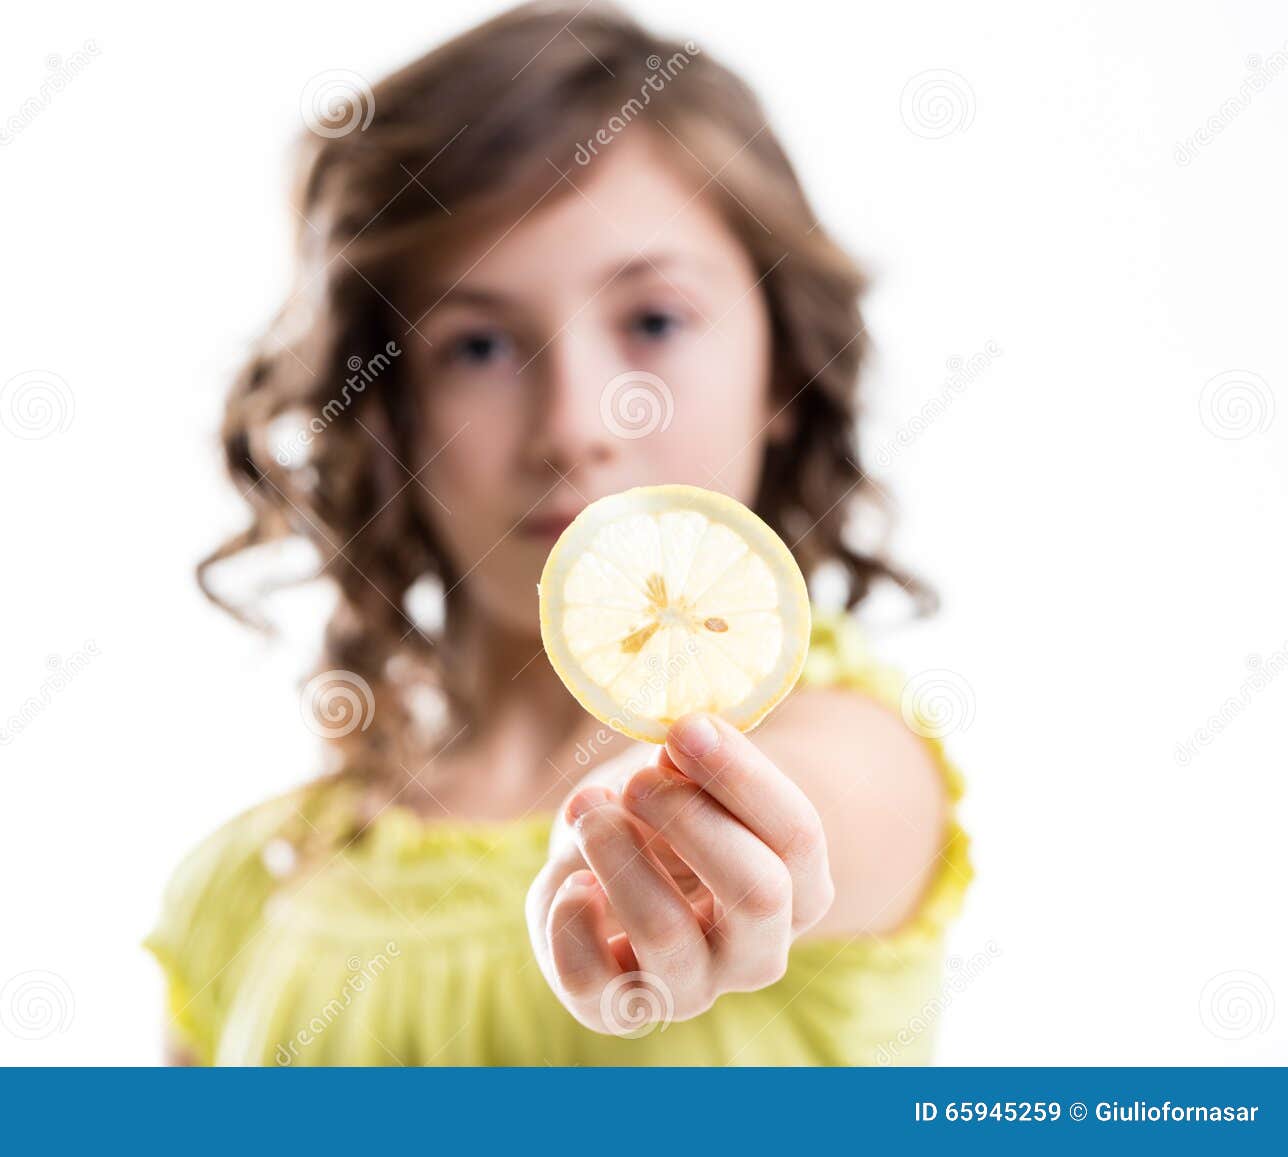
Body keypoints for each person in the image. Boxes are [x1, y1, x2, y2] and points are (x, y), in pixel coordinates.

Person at [145, 0, 972, 1065]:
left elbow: (811, 822)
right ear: (389, 409)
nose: (577, 424)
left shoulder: (848, 756)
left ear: (781, 368)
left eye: (655, 321)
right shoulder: (249, 887)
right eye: (479, 344)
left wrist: (686, 866)